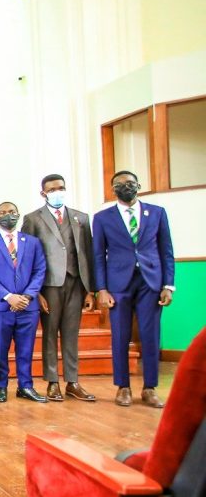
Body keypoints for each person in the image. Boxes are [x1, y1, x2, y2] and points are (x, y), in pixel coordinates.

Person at [93, 170, 175, 408]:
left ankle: (150, 388)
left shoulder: (157, 213)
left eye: (129, 183)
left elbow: (166, 250)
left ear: (138, 185)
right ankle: (123, 387)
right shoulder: (102, 218)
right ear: (113, 190)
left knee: (151, 336)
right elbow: (98, 255)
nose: (125, 187)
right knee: (120, 335)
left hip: (151, 282)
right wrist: (102, 289)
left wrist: (168, 285)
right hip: (118, 284)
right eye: (119, 184)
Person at [21, 173, 96, 402]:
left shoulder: (80, 218)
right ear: (43, 193)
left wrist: (90, 289)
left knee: (71, 334)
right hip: (49, 285)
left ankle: (72, 381)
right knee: (50, 334)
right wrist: (36, 293)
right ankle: (53, 382)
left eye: (60, 188)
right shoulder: (33, 219)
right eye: (52, 189)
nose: (57, 192)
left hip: (76, 283)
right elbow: (27, 257)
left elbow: (88, 253)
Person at [0, 202, 47, 403]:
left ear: (18, 215)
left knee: (25, 349)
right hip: (0, 307)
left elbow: (39, 270)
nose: (8, 215)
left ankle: (26, 386)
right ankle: (1, 387)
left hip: (28, 306)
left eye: (11, 212)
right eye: (3, 213)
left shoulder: (33, 242)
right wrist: (9, 296)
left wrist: (27, 296)